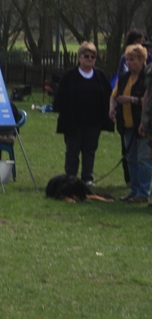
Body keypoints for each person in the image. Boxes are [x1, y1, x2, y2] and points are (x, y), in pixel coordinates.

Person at [53, 42, 113, 186]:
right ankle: (70, 177)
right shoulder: (70, 75)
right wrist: (61, 114)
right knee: (72, 151)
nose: (90, 59)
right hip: (73, 121)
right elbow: (60, 97)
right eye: (86, 56)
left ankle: (87, 178)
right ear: (79, 57)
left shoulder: (99, 76)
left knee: (89, 151)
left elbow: (108, 95)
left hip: (93, 122)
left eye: (93, 56)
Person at [110, 44, 150, 203]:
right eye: (127, 59)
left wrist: (132, 100)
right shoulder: (124, 77)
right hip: (126, 125)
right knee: (131, 159)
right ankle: (134, 190)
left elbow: (148, 100)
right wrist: (112, 108)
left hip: (143, 126)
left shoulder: (147, 78)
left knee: (143, 159)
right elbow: (114, 95)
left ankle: (143, 192)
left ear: (141, 60)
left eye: (132, 59)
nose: (129, 62)